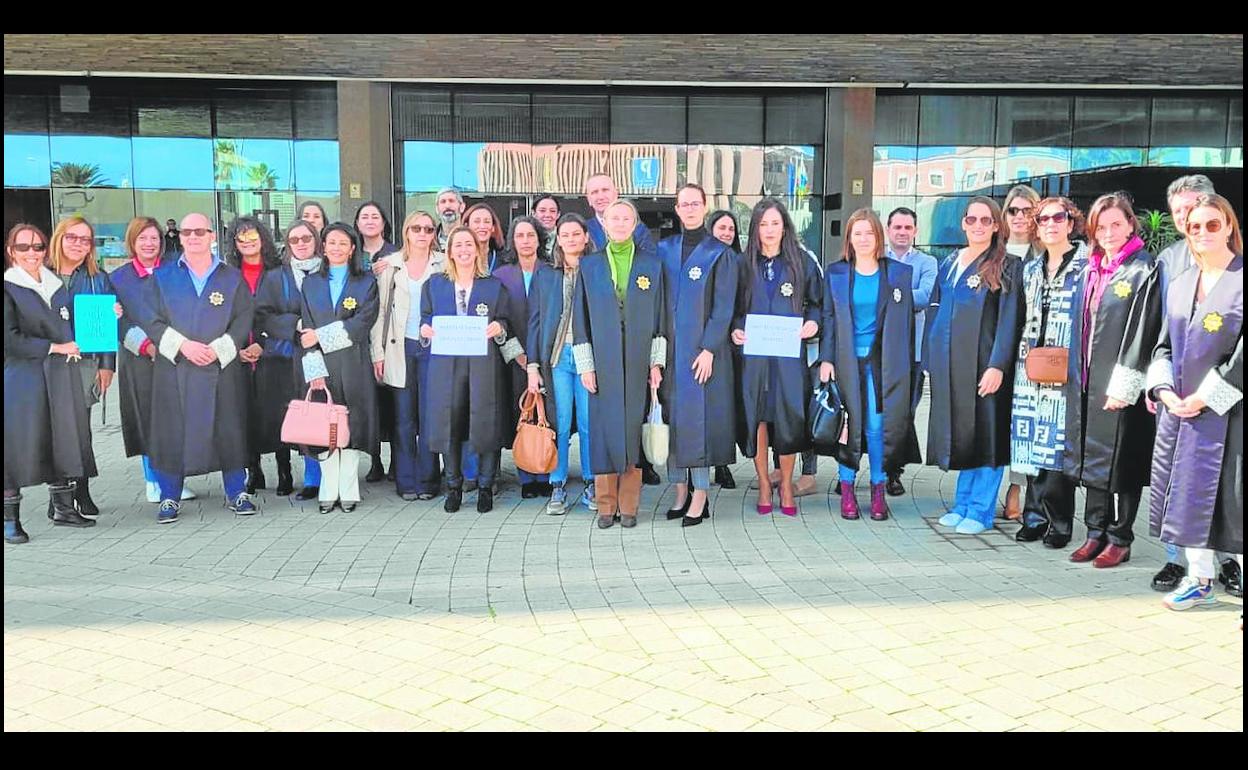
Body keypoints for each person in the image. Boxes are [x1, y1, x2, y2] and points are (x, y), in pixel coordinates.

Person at [1146, 193, 1242, 619]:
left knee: (1234, 500)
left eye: (1212, 224)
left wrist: (1210, 394)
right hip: (1181, 411)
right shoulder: (1182, 282)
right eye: (1194, 226)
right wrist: (1164, 392)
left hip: (1231, 412)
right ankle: (1199, 579)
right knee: (1186, 495)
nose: (1202, 232)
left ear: (1229, 227)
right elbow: (1163, 345)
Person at [1064, 193, 1160, 568]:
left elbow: (1144, 330)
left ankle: (1120, 536)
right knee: (1092, 455)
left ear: (1131, 225)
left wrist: (1127, 382)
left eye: (1115, 225)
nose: (1108, 232)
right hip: (1087, 378)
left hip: (1120, 381)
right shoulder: (1091, 266)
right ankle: (1094, 531)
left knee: (1123, 460)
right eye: (1101, 227)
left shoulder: (1143, 269)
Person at [145, 213, 256, 523]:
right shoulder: (163, 277)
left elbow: (244, 318)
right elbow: (152, 320)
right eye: (187, 231)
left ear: (211, 236)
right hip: (176, 368)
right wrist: (183, 346)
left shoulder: (231, 278)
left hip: (220, 367)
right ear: (179, 237)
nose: (193, 236)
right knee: (171, 432)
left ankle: (237, 491)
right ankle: (169, 496)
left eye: (200, 231)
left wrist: (219, 349)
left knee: (228, 427)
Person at [926, 197, 1024, 535]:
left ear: (997, 225)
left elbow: (1010, 321)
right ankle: (963, 503)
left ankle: (981, 510)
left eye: (986, 220)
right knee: (966, 434)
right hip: (953, 365)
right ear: (964, 224)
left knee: (988, 435)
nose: (978, 226)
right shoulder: (951, 261)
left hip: (985, 366)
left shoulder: (1007, 265)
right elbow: (936, 311)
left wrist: (998, 365)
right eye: (972, 220)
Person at [572, 200, 666, 529]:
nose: (621, 222)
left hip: (639, 360)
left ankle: (629, 506)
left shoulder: (651, 265)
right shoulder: (590, 266)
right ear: (604, 223)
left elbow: (660, 317)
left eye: (627, 217)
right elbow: (579, 319)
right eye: (615, 217)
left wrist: (656, 363)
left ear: (635, 223)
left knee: (631, 431)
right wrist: (586, 365)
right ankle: (605, 505)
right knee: (602, 431)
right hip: (603, 361)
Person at [818, 208, 915, 521]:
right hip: (845, 362)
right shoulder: (836, 273)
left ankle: (877, 489)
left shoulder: (898, 274)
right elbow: (829, 319)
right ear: (849, 238)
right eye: (856, 233)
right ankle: (846, 491)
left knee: (875, 429)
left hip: (880, 365)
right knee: (848, 427)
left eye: (868, 233)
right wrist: (826, 359)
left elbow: (906, 326)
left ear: (878, 237)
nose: (863, 239)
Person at [4, 223, 98, 541]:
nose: (32, 253)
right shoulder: (8, 287)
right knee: (18, 444)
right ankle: (10, 518)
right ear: (11, 252)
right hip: (22, 379)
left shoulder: (56, 286)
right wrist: (54, 347)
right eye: (24, 247)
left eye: (38, 246)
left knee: (60, 437)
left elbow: (73, 324)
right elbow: (9, 338)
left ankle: (63, 507)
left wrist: (103, 317)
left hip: (59, 374)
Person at [420, 226, 524, 514]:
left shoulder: (492, 286)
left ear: (478, 250)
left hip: (483, 364)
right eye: (458, 245)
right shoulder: (435, 285)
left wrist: (499, 327)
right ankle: (453, 485)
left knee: (484, 421)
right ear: (449, 251)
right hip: (445, 365)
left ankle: (485, 485)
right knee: (449, 422)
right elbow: (425, 320)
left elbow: (505, 321)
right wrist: (425, 330)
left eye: (469, 244)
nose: (464, 250)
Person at [733, 198, 822, 518]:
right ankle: (763, 482)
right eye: (763, 224)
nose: (769, 230)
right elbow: (733, 310)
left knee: (787, 420)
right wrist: (735, 329)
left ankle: (785, 483)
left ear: (785, 226)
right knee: (758, 419)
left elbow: (817, 303)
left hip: (787, 359)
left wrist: (813, 322)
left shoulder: (802, 262)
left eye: (775, 223)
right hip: (754, 359)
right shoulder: (743, 264)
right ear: (755, 228)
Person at [657, 184, 738, 526]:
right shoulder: (664, 249)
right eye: (683, 204)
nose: (689, 208)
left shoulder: (720, 253)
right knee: (673, 421)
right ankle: (679, 491)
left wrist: (709, 348)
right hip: (670, 352)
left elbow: (724, 307)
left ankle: (701, 496)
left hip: (701, 353)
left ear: (705, 207)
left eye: (695, 203)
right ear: (676, 209)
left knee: (698, 424)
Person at [1010, 198, 1088, 548]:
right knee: (1030, 443)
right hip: (1030, 367)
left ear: (1071, 223)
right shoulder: (1029, 269)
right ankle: (1033, 515)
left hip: (1066, 368)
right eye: (1044, 219)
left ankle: (1060, 522)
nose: (1051, 224)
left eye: (1059, 217)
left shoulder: (1086, 266)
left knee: (1057, 446)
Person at [112, 217, 196, 503]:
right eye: (143, 239)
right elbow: (120, 323)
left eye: (154, 238)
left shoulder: (176, 270)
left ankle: (175, 479)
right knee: (147, 420)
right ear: (132, 242)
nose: (149, 244)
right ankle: (153, 480)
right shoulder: (119, 278)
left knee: (176, 419)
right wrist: (146, 346)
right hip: (140, 361)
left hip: (176, 357)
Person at [299, 223, 381, 514]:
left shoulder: (366, 282)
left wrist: (321, 335)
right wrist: (313, 371)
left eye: (342, 243)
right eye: (331, 242)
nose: (336, 248)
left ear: (352, 248)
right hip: (322, 365)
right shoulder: (311, 283)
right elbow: (306, 331)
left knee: (352, 426)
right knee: (324, 428)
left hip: (355, 361)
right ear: (323, 247)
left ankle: (349, 489)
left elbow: (362, 323)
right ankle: (327, 488)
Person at [371, 211, 445, 501]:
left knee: (429, 415)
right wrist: (377, 353)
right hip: (399, 347)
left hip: (433, 349)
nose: (423, 233)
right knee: (403, 419)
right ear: (406, 231)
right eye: (416, 228)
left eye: (428, 228)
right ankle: (406, 480)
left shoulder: (443, 263)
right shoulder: (390, 266)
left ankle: (428, 480)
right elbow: (379, 312)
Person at [47, 215, 117, 517]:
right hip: (46, 363)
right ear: (59, 238)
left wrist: (107, 365)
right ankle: (58, 495)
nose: (78, 244)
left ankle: (82, 488)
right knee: (51, 430)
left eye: (85, 239)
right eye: (72, 237)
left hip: (84, 364)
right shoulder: (38, 275)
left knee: (80, 430)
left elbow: (105, 328)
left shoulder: (97, 278)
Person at [526, 213, 597, 514]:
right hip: (556, 358)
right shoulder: (546, 274)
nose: (570, 239)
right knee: (560, 423)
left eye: (575, 233)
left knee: (588, 422)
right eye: (564, 234)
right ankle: (558, 484)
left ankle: (593, 481)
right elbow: (535, 321)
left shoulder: (597, 270)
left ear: (585, 237)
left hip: (587, 359)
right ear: (557, 238)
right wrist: (532, 366)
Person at [254, 220, 324, 501]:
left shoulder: (330, 270)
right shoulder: (275, 277)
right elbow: (263, 315)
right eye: (294, 240)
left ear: (316, 240)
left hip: (326, 350)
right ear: (288, 244)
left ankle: (332, 473)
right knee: (304, 414)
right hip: (289, 355)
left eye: (307, 238)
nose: (301, 244)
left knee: (324, 412)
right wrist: (294, 324)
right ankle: (311, 477)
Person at [223, 216, 287, 495]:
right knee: (245, 414)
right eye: (241, 239)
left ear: (263, 239)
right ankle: (254, 470)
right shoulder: (227, 275)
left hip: (272, 353)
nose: (248, 243)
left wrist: (263, 344)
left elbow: (282, 310)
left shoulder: (278, 271)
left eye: (253, 237)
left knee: (276, 413)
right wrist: (234, 349)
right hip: (237, 353)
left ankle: (284, 470)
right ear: (234, 244)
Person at [882, 206, 937, 496]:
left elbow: (925, 297)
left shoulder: (927, 262)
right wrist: (900, 296)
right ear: (888, 229)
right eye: (897, 227)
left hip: (912, 354)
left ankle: (894, 472)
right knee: (876, 412)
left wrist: (889, 295)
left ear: (915, 231)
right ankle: (874, 470)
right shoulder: (879, 260)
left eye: (907, 228)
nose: (902, 232)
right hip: (882, 352)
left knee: (904, 414)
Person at [494, 215, 551, 498]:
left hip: (548, 358)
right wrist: (518, 355)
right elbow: (498, 318)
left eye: (530, 235)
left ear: (539, 239)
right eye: (520, 236)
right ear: (512, 240)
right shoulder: (501, 276)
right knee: (522, 413)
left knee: (547, 415)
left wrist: (539, 358)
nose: (526, 241)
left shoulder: (552, 270)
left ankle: (548, 471)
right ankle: (527, 477)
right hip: (515, 359)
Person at [1000, 184, 1043, 520]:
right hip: (995, 350)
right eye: (1013, 210)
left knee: (1025, 423)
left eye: (1027, 211)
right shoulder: (994, 252)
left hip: (1032, 353)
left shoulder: (1045, 254)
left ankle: (1019, 486)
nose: (1019, 217)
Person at [354, 201, 398, 483]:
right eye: (364, 217)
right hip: (360, 336)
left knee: (392, 401)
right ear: (357, 223)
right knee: (368, 402)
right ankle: (374, 461)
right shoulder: (351, 254)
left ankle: (397, 459)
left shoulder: (396, 253)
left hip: (390, 334)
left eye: (375, 216)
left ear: (384, 223)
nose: (370, 221)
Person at [706, 209, 741, 490]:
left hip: (735, 345)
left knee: (725, 408)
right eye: (721, 228)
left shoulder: (740, 262)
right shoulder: (703, 261)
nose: (727, 233)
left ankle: (723, 464)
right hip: (708, 343)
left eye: (731, 229)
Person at [583, 173, 657, 253]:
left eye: (605, 190)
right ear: (589, 199)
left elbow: (649, 261)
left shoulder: (638, 229)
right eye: (594, 192)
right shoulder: (583, 231)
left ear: (616, 194)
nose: (600, 197)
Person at [463, 202, 507, 274]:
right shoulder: (460, 258)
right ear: (467, 226)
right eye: (477, 221)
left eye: (487, 222)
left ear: (493, 227)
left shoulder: (503, 261)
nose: (482, 226)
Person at [434, 188, 466, 253]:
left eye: (451, 201)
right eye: (443, 201)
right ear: (437, 209)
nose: (447, 206)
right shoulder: (430, 239)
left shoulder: (472, 238)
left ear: (462, 207)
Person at [533, 194, 560, 260]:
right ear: (534, 213)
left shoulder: (565, 236)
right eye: (542, 211)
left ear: (558, 214)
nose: (547, 215)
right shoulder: (527, 237)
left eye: (552, 211)